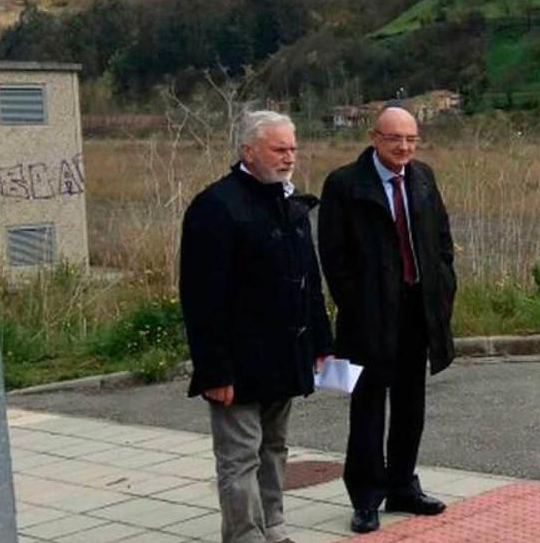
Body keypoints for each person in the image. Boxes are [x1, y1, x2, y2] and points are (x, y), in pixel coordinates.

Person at [179, 110, 333, 543]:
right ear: (248, 151)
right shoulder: (217, 206)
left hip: (285, 358)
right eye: (278, 148)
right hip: (239, 362)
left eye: (293, 149)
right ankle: (245, 536)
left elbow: (310, 281)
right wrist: (214, 369)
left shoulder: (291, 205)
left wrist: (321, 342)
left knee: (275, 450)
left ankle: (275, 529)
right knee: (239, 457)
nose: (289, 157)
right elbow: (201, 297)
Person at [317, 107, 457, 534]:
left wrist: (444, 285)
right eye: (395, 139)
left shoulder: (423, 177)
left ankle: (402, 486)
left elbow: (441, 239)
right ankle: (365, 497)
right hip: (369, 318)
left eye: (412, 139)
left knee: (411, 405)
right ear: (374, 138)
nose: (404, 148)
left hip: (418, 312)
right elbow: (334, 258)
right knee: (368, 408)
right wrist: (358, 304)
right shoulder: (345, 185)